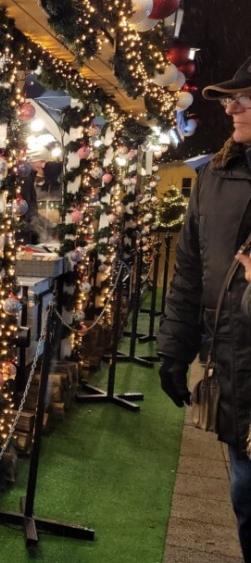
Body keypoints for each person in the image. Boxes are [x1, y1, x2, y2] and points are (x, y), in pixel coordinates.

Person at [158, 54, 251, 562]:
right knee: (245, 499)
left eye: (246, 97)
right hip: (236, 369)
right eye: (232, 97)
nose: (232, 107)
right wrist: (175, 350)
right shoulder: (216, 175)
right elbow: (190, 271)